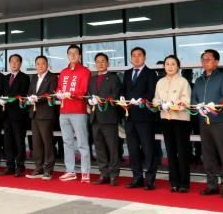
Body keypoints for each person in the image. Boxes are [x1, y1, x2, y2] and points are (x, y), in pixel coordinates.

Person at [192, 49, 223, 198]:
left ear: (216, 62)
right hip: (203, 121)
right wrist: (198, 106)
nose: (205, 62)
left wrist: (213, 105)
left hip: (220, 120)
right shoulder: (198, 80)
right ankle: (212, 185)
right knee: (208, 154)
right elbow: (193, 98)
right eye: (203, 59)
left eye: (208, 59)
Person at [153, 55, 192, 193]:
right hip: (166, 118)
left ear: (178, 66)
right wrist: (160, 105)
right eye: (167, 64)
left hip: (181, 119)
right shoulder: (160, 82)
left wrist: (173, 104)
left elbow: (186, 101)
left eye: (173, 64)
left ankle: (184, 183)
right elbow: (155, 100)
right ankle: (174, 182)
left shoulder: (183, 82)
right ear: (164, 66)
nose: (170, 66)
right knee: (170, 151)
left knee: (182, 151)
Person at [123, 46, 159, 190]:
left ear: (144, 57)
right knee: (133, 149)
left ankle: (150, 180)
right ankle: (137, 177)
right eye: (134, 55)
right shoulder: (127, 73)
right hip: (129, 116)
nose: (136, 58)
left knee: (148, 148)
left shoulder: (151, 73)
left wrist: (142, 100)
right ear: (131, 58)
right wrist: (122, 101)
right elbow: (124, 91)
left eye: (139, 55)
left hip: (145, 117)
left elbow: (152, 93)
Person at [55, 44, 92, 183]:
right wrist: (59, 93)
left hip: (78, 111)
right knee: (67, 142)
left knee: (82, 143)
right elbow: (59, 87)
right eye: (70, 53)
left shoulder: (85, 71)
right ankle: (70, 171)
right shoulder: (63, 72)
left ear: (80, 55)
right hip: (63, 111)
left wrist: (70, 93)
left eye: (75, 53)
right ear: (67, 55)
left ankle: (85, 172)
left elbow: (83, 91)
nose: (72, 55)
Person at [87, 52, 121, 186]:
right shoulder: (92, 79)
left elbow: (115, 95)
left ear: (108, 64)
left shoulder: (113, 78)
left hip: (109, 118)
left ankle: (114, 174)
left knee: (112, 147)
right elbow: (89, 96)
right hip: (95, 118)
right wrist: (90, 101)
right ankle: (104, 173)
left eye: (103, 61)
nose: (100, 64)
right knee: (99, 147)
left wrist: (102, 100)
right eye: (98, 62)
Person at [25, 55, 58, 180]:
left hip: (46, 114)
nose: (40, 66)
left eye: (43, 63)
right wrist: (30, 97)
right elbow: (30, 92)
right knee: (36, 143)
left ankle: (48, 169)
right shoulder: (34, 77)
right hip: (34, 114)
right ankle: (38, 168)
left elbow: (51, 93)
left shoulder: (52, 77)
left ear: (47, 64)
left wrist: (37, 98)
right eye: (38, 64)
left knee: (47, 142)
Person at [0, 54, 31, 177]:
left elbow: (23, 94)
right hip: (6, 114)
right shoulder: (5, 77)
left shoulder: (25, 78)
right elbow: (2, 92)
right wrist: (1, 99)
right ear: (9, 63)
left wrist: (8, 98)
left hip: (19, 115)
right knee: (7, 142)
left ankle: (20, 166)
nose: (14, 63)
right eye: (12, 61)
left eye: (16, 61)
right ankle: (10, 166)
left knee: (19, 141)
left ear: (20, 63)